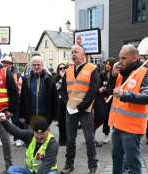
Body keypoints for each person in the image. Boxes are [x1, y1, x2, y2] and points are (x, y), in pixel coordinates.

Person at [106, 44, 148, 174]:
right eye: (119, 57)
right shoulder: (122, 72)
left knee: (133, 163)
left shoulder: (144, 73)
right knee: (116, 157)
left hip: (132, 128)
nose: (119, 61)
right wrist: (113, 77)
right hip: (117, 124)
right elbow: (111, 93)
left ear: (134, 58)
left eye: (123, 58)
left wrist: (125, 94)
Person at [59, 45, 99, 174]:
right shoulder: (68, 71)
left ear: (83, 54)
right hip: (71, 109)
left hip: (85, 109)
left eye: (76, 52)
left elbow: (93, 91)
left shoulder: (92, 69)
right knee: (70, 139)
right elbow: (63, 90)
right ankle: (69, 164)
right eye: (72, 52)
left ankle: (93, 167)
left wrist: (80, 107)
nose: (73, 54)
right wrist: (68, 104)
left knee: (89, 138)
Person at [19, 56, 59, 130]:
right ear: (31, 66)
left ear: (42, 66)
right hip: (31, 116)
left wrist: (55, 115)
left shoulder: (49, 79)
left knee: (45, 138)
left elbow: (55, 98)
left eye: (38, 64)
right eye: (34, 65)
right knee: (31, 138)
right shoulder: (26, 79)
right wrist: (21, 115)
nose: (36, 67)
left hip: (44, 116)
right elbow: (22, 98)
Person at [0, 56, 22, 147]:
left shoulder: (18, 74)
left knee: (15, 121)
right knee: (2, 122)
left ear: (11, 64)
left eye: (6, 62)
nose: (4, 64)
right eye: (3, 62)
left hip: (14, 101)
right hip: (2, 101)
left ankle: (17, 138)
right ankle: (2, 139)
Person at [93, 57, 116, 146]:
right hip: (104, 98)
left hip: (114, 98)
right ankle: (106, 134)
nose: (107, 66)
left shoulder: (116, 75)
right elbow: (97, 85)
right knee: (105, 117)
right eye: (106, 64)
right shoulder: (102, 74)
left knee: (114, 116)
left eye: (109, 64)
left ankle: (115, 134)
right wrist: (102, 90)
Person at [55, 63, 67, 146]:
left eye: (64, 68)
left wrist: (64, 78)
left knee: (67, 122)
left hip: (66, 102)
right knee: (60, 122)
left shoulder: (69, 79)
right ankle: (61, 140)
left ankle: (66, 140)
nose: (62, 69)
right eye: (60, 68)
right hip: (59, 102)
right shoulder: (55, 79)